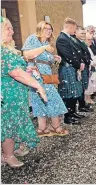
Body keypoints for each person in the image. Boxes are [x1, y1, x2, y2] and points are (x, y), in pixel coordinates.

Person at [1, 17, 47, 168]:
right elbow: (15, 73)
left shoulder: (7, 49)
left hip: (15, 95)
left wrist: (27, 70)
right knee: (9, 125)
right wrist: (38, 86)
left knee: (16, 122)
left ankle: (12, 150)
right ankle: (8, 155)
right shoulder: (2, 51)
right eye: (8, 28)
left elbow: (18, 71)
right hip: (7, 97)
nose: (12, 31)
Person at [22, 21, 69, 137]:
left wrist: (53, 58)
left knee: (42, 99)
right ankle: (55, 126)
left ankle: (42, 128)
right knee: (51, 98)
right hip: (36, 75)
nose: (49, 31)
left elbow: (44, 58)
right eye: (46, 28)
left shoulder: (46, 42)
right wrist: (44, 48)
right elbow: (27, 55)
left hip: (46, 75)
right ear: (40, 29)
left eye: (50, 29)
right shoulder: (33, 38)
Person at [56, 18, 83, 125]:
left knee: (74, 92)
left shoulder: (68, 38)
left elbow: (75, 53)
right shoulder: (62, 39)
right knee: (68, 93)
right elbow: (68, 56)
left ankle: (72, 112)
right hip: (67, 67)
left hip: (71, 67)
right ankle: (67, 117)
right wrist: (78, 65)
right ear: (70, 27)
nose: (75, 31)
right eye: (75, 28)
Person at [73, 26, 94, 113]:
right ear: (76, 33)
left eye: (84, 33)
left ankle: (82, 105)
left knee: (83, 87)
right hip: (80, 67)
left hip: (85, 67)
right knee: (79, 88)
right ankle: (79, 107)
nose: (84, 35)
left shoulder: (82, 43)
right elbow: (80, 56)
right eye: (82, 33)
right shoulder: (75, 42)